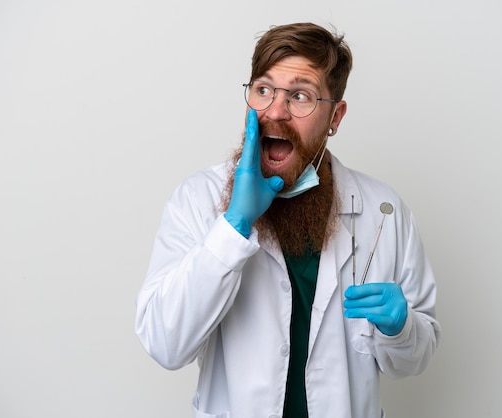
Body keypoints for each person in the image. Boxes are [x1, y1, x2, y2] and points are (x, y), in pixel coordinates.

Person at [135, 22, 441, 418]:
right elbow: (165, 344)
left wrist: (401, 329)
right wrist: (233, 227)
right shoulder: (199, 199)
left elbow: (413, 360)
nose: (275, 112)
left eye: (300, 96)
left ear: (336, 116)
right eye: (263, 90)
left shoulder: (383, 210)